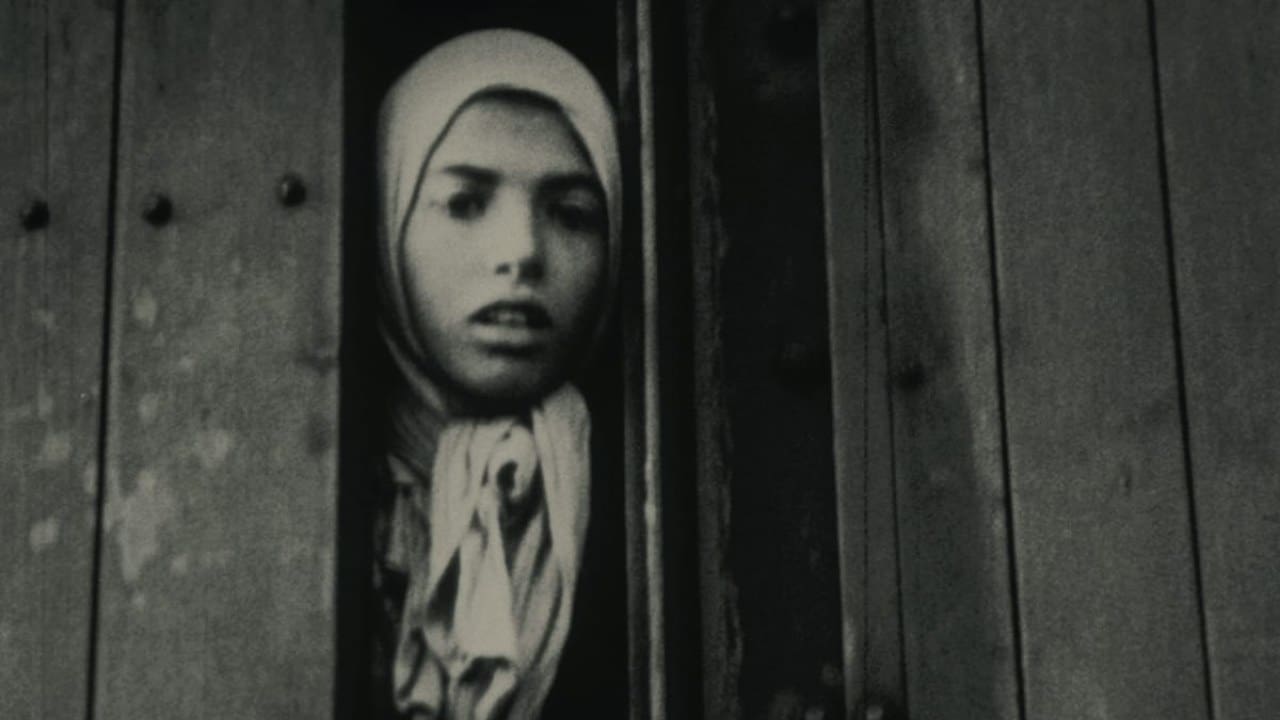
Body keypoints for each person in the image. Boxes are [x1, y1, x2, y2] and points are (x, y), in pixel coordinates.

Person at [370, 28, 625, 719]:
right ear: (385, 220)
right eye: (464, 203)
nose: (522, 252)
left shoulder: (651, 512)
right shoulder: (312, 483)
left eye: (572, 214)